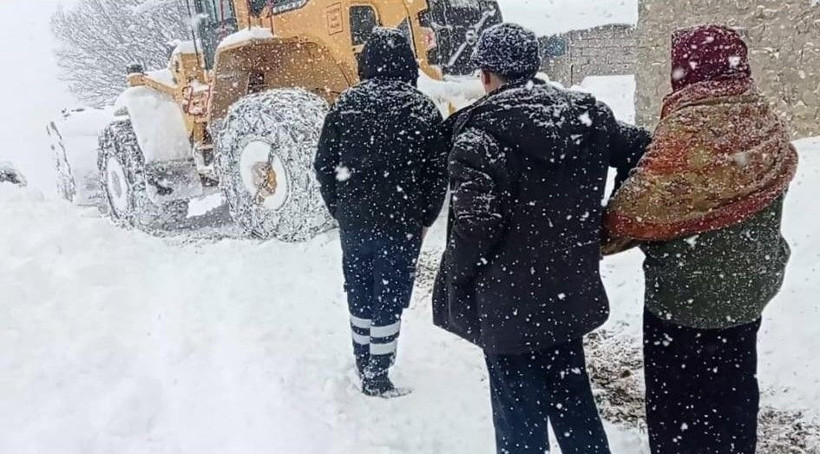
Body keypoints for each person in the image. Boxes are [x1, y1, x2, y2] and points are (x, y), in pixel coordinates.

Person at [432, 23, 651, 454]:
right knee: (574, 401)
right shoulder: (588, 119)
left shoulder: (479, 137)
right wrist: (607, 222)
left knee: (518, 417)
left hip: (505, 303)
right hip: (567, 291)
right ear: (533, 65)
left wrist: (455, 279)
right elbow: (645, 151)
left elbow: (477, 227)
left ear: (486, 74)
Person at [604, 25, 798, 454]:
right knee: (735, 397)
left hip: (682, 303)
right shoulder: (763, 118)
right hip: (746, 294)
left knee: (678, 415)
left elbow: (633, 214)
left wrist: (591, 236)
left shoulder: (686, 131)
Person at [314, 28, 447, 398]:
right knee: (389, 296)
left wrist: (339, 209)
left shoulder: (345, 105)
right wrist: (425, 217)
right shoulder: (421, 108)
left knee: (359, 292)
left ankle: (363, 361)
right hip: (400, 223)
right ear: (408, 64)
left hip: (355, 224)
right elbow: (437, 174)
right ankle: (378, 372)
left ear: (366, 62)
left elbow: (323, 164)